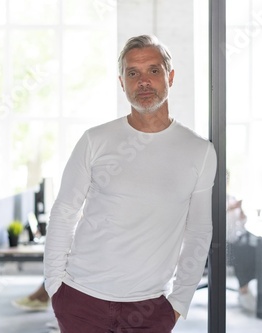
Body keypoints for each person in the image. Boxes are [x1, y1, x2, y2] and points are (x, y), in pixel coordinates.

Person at [42, 34, 217, 332]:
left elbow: (199, 232)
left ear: (170, 77)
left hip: (150, 309)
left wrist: (178, 303)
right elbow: (64, 211)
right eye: (133, 73)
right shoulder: (95, 140)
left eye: (153, 70)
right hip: (81, 299)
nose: (143, 81)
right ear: (122, 82)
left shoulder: (199, 151)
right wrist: (54, 287)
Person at [226, 172, 256, 312]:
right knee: (242, 252)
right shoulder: (211, 198)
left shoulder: (231, 197)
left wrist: (241, 211)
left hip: (233, 239)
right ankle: (243, 288)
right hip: (218, 244)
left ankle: (244, 285)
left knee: (253, 249)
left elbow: (242, 223)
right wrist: (229, 208)